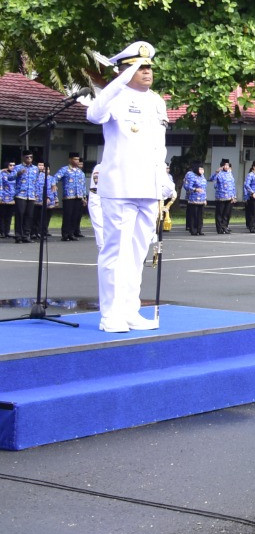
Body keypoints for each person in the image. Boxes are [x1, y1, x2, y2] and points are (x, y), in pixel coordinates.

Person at [86, 40, 176, 332]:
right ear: (125, 70)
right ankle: (110, 314)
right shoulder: (114, 97)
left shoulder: (157, 101)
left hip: (148, 189)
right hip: (121, 186)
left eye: (149, 66)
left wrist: (164, 180)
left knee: (137, 253)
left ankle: (130, 310)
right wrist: (117, 82)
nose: (147, 72)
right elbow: (93, 115)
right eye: (140, 67)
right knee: (116, 252)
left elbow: (157, 148)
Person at [54, 154, 88, 241]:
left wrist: (84, 197)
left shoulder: (80, 172)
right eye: (75, 159)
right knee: (67, 215)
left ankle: (71, 233)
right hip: (68, 196)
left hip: (78, 197)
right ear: (70, 160)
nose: (77, 161)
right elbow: (55, 178)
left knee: (75, 216)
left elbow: (83, 185)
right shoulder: (65, 170)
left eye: (78, 159)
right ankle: (65, 234)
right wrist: (53, 185)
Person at [13, 151, 40, 243]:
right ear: (23, 158)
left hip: (31, 195)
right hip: (21, 194)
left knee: (29, 216)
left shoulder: (35, 169)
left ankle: (26, 235)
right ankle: (18, 235)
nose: (29, 159)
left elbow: (36, 181)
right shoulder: (18, 167)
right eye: (27, 157)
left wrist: (36, 193)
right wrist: (18, 173)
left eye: (31, 157)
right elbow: (10, 177)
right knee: (20, 215)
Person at [212, 158, 236, 234]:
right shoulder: (219, 173)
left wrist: (234, 196)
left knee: (226, 214)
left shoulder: (230, 173)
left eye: (227, 165)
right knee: (220, 214)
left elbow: (232, 185)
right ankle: (219, 228)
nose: (226, 167)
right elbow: (212, 179)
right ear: (222, 166)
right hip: (221, 196)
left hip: (229, 197)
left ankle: (224, 227)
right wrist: (216, 172)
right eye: (225, 165)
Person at [182, 162, 207, 235]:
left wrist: (205, 198)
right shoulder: (192, 176)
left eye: (203, 169)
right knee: (194, 215)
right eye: (200, 169)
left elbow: (204, 188)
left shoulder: (202, 177)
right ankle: (193, 230)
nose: (202, 170)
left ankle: (199, 229)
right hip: (194, 199)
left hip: (202, 199)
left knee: (200, 215)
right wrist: (195, 189)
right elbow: (188, 187)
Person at [0, 159, 15, 239]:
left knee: (9, 216)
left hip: (12, 199)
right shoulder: (2, 174)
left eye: (13, 165)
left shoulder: (14, 174)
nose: (12, 167)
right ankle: (1, 232)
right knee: (2, 216)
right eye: (10, 165)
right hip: (3, 198)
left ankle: (7, 232)